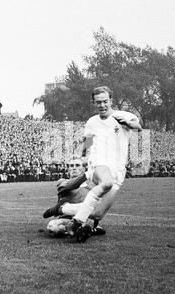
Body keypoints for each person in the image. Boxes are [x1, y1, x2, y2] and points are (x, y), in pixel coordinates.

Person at [63, 86, 142, 242]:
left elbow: (138, 128)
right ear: (94, 103)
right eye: (98, 102)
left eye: (105, 101)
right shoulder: (92, 122)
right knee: (106, 182)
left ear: (111, 100)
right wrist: (84, 157)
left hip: (118, 169)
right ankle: (76, 222)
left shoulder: (123, 115)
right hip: (99, 162)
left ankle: (63, 209)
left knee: (97, 214)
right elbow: (87, 143)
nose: (102, 105)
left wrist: (127, 123)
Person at [43, 157, 106, 237]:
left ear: (83, 169)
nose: (74, 168)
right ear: (68, 170)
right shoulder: (62, 182)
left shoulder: (92, 185)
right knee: (51, 227)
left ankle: (80, 229)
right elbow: (72, 185)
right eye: (71, 166)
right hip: (66, 218)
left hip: (84, 218)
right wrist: (88, 174)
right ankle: (83, 230)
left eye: (77, 165)